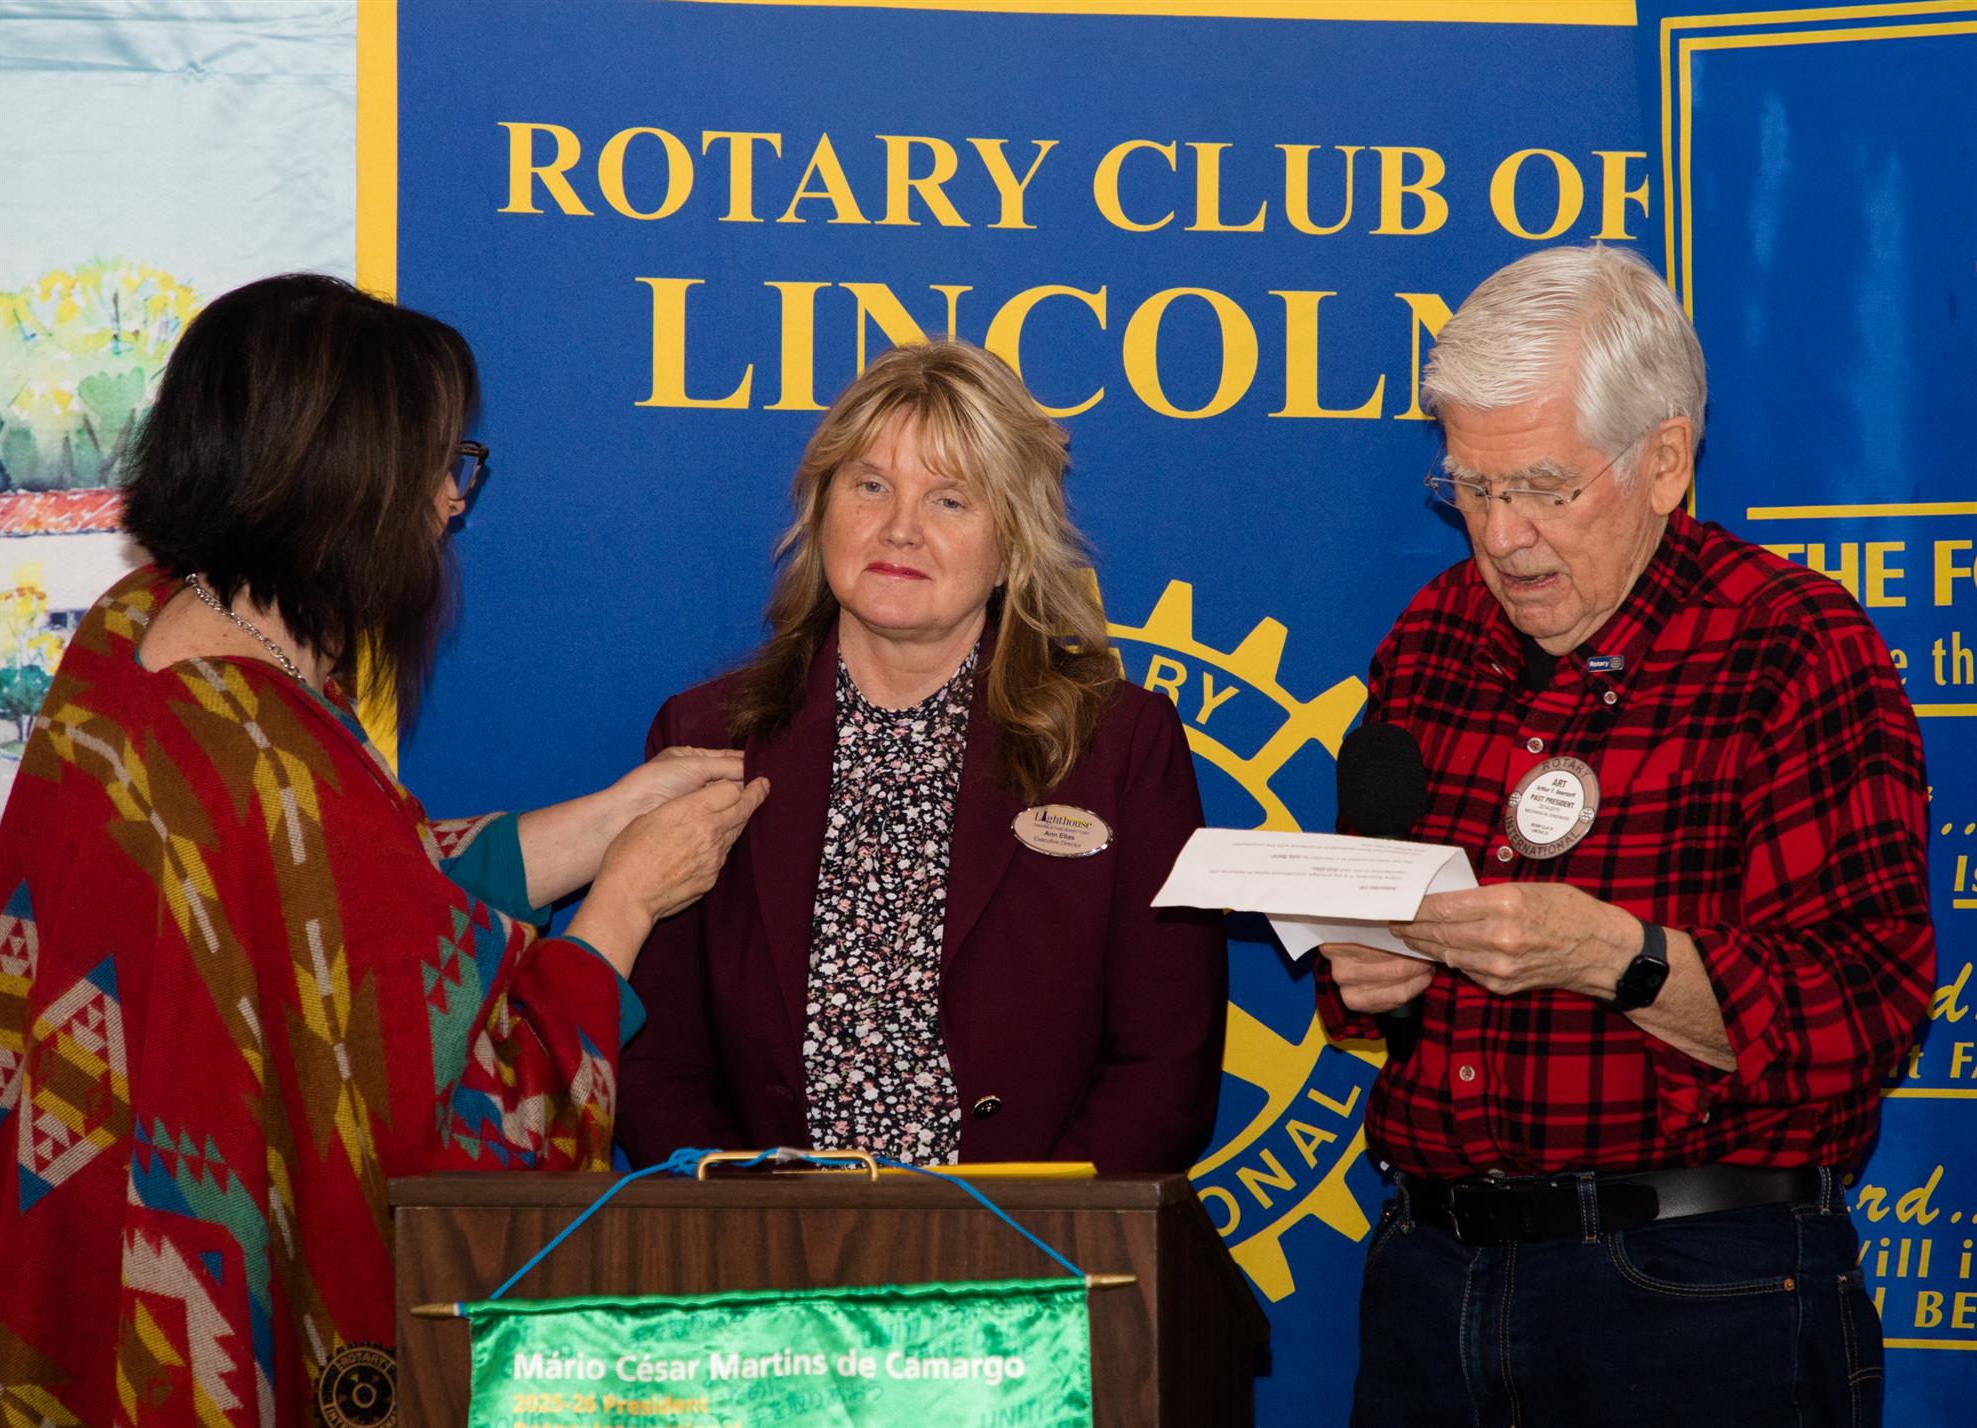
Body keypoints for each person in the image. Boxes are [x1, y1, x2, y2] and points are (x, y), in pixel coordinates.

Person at [0, 274, 767, 1423]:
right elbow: (479, 1136)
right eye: (436, 466)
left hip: (69, 1265)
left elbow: (358, 897)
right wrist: (628, 903)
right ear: (341, 482)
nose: (451, 503)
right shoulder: (274, 759)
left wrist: (614, 814)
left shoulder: (138, 634)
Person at [1314, 245, 1932, 1427]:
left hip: (1697, 1288)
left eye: (1546, 488)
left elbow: (1865, 1010)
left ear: (1664, 462)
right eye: (1472, 489)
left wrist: (1619, 958)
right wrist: (1368, 975)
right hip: (1430, 1277)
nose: (1503, 537)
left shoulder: (1792, 644)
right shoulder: (1431, 637)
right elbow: (1370, 966)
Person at [615, 339, 1226, 1174]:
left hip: (1040, 1242)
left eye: (950, 500)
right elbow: (656, 1059)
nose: (899, 528)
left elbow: (1165, 1071)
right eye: (870, 486)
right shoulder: (709, 735)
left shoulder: (1119, 744)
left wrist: (1020, 1229)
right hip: (764, 1239)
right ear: (821, 510)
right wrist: (759, 1220)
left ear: (1011, 547)